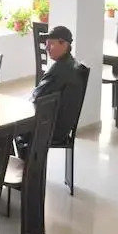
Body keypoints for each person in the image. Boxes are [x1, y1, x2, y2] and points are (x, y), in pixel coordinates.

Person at [19, 25, 85, 157]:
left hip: (53, 129)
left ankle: (28, 167)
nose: (47, 48)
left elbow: (37, 97)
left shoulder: (60, 69)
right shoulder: (70, 64)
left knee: (9, 130)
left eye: (51, 44)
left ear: (64, 44)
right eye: (46, 44)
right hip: (62, 126)